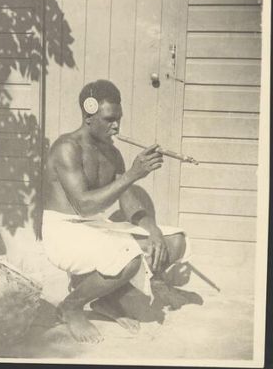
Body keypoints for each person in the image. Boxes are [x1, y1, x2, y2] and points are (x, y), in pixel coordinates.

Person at [42, 79, 188, 344]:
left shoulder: (112, 153)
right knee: (128, 259)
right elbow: (83, 205)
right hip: (62, 231)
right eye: (109, 119)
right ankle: (71, 306)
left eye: (118, 118)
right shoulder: (66, 148)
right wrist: (133, 174)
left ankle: (106, 299)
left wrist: (153, 230)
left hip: (94, 227)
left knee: (174, 241)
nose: (116, 126)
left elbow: (128, 201)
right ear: (89, 115)